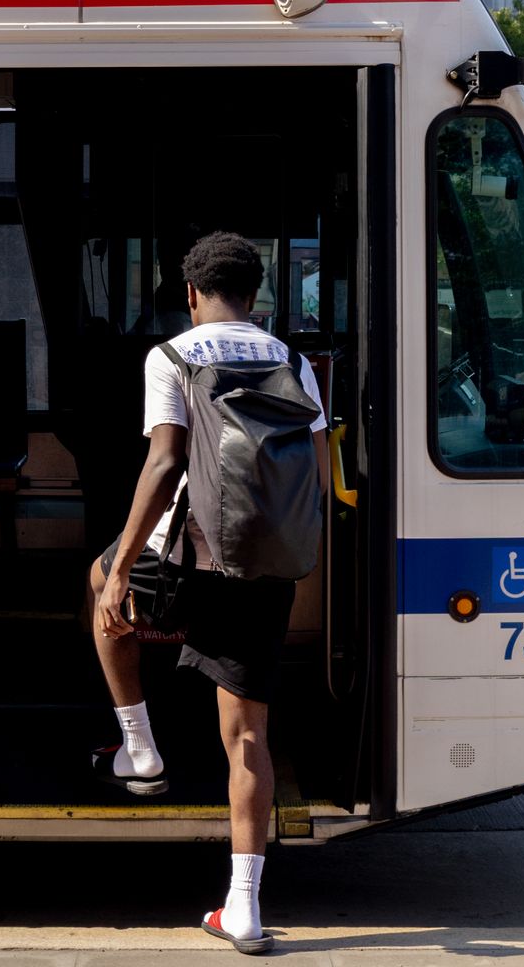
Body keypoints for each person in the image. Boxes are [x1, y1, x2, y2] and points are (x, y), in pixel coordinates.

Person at [84, 232, 328, 954]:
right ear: (257, 296)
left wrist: (126, 564)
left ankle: (140, 748)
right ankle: (244, 908)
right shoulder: (294, 362)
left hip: (187, 560)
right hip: (264, 566)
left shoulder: (173, 356)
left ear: (190, 294)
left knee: (99, 586)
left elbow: (163, 463)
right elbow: (315, 467)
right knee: (248, 736)